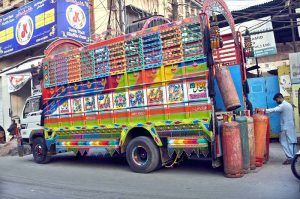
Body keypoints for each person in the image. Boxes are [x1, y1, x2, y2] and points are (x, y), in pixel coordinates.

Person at [266, 93, 297, 165]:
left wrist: (264, 110)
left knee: (283, 141)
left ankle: (290, 157)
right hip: (290, 125)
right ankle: (294, 157)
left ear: (279, 97)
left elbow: (274, 110)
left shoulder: (283, 105)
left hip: (286, 127)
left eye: (277, 100)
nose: (276, 101)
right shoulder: (288, 104)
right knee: (291, 141)